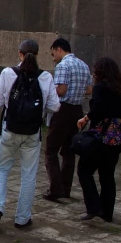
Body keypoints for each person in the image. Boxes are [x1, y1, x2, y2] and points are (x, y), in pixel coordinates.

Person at [0, 39, 60, 228]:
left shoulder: (7, 73)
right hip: (32, 132)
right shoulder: (45, 77)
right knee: (28, 175)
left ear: (19, 53)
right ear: (37, 55)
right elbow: (55, 106)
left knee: (2, 169)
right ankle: (22, 218)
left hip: (9, 129)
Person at [76, 58, 121, 223]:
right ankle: (107, 212)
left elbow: (99, 108)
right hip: (117, 140)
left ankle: (94, 207)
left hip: (102, 138)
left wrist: (86, 118)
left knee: (84, 170)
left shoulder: (100, 88)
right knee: (107, 175)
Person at [43, 38, 92, 201]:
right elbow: (89, 89)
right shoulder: (84, 65)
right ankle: (65, 188)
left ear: (58, 49)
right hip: (77, 110)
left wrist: (49, 91)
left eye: (52, 54)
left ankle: (55, 189)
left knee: (51, 150)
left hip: (63, 110)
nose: (53, 58)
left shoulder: (63, 65)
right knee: (69, 151)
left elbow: (62, 90)